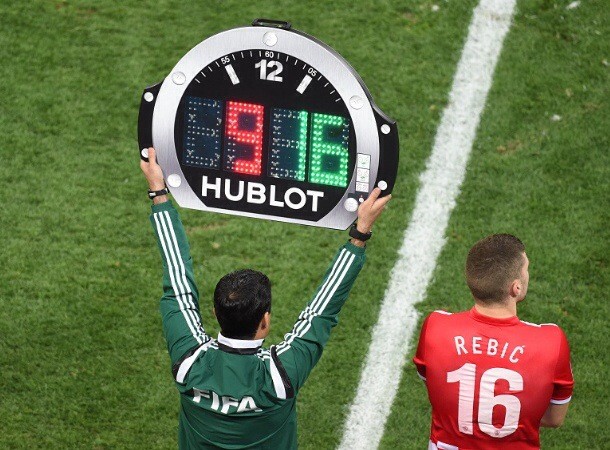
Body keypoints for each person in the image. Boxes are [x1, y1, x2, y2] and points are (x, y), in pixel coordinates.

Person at [140, 147, 391, 449]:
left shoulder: (189, 365)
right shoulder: (279, 378)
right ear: (265, 321)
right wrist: (360, 232)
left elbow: (177, 280)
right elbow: (321, 310)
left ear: (216, 313)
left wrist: (159, 193)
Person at [414, 234, 574, 450]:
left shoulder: (436, 327)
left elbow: (438, 389)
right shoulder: (551, 341)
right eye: (526, 269)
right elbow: (554, 418)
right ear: (516, 287)